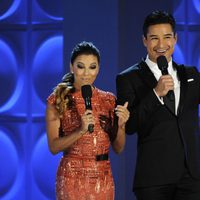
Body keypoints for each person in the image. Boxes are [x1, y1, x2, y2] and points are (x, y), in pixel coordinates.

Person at [116, 10, 200, 200]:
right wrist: (155, 94)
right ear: (144, 40)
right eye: (154, 38)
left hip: (191, 178)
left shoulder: (191, 74)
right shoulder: (128, 78)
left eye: (167, 37)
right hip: (153, 179)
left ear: (176, 39)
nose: (161, 45)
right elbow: (129, 125)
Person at [46, 41, 129, 200]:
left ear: (98, 69)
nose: (86, 73)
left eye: (92, 67)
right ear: (72, 67)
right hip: (72, 177)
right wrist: (81, 130)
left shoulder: (109, 100)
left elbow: (118, 148)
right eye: (80, 66)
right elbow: (54, 147)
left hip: (103, 177)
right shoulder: (57, 100)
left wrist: (121, 126)